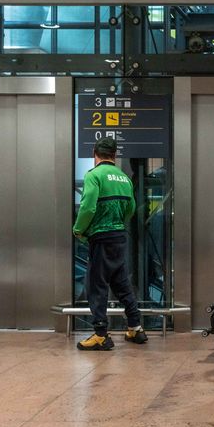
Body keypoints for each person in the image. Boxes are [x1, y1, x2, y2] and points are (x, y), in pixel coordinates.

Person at [73, 137, 148, 351]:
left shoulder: (94, 175)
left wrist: (79, 229)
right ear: (114, 156)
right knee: (121, 282)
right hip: (119, 236)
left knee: (96, 285)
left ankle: (100, 334)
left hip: (101, 236)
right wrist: (117, 223)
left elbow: (88, 207)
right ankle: (135, 327)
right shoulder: (125, 178)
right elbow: (131, 208)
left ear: (95, 154)